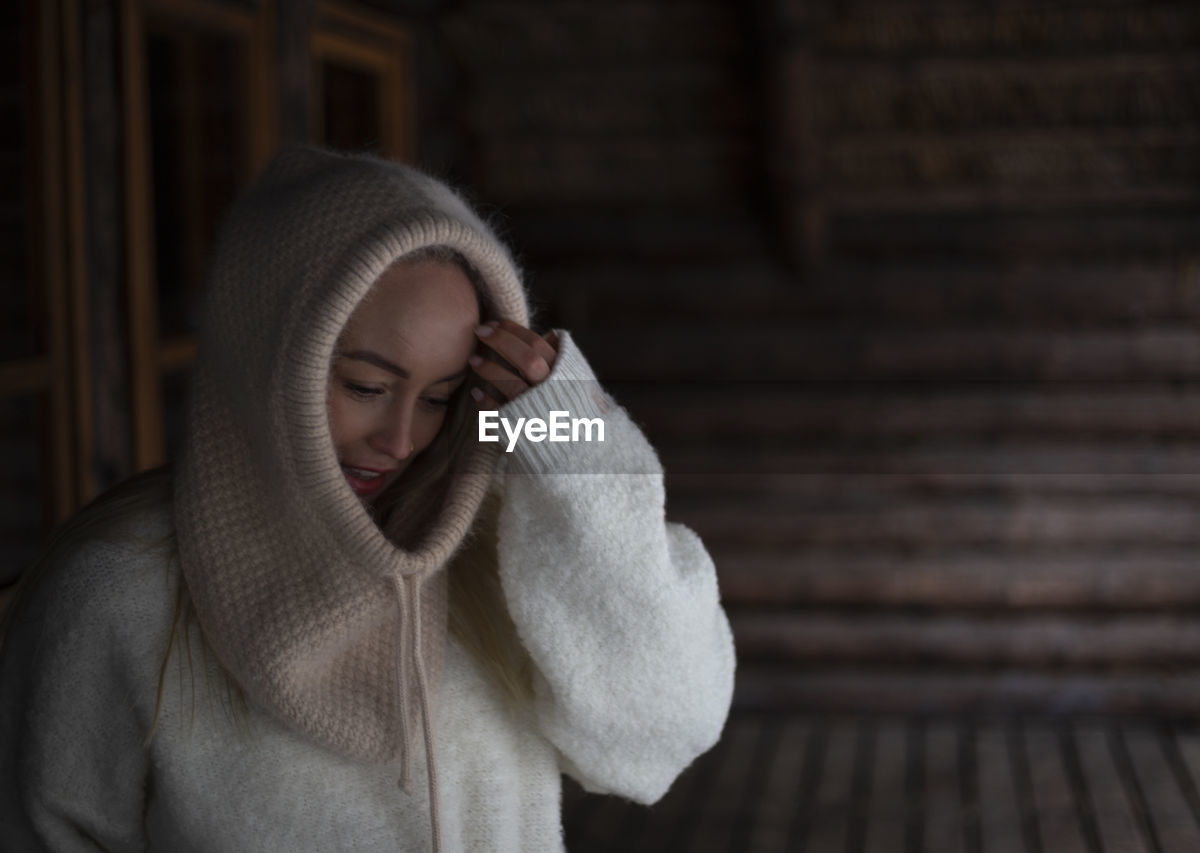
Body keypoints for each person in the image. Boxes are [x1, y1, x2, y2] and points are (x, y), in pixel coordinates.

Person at [0, 148, 736, 852]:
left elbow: (660, 736)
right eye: (367, 386)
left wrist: (582, 444)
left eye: (442, 398)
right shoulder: (113, 590)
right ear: (267, 352)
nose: (402, 439)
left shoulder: (498, 554)